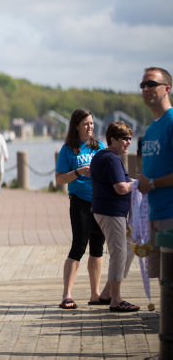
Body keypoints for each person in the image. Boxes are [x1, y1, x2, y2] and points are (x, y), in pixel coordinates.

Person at [55, 109, 106, 309]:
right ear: (76, 126)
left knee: (98, 247)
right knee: (78, 246)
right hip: (79, 202)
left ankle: (95, 294)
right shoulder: (68, 149)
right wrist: (77, 172)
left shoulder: (99, 147)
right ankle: (66, 295)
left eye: (91, 123)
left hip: (100, 202)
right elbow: (59, 179)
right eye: (85, 123)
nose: (90, 127)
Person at [90, 121, 138, 312]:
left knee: (127, 248)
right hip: (111, 213)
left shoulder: (107, 156)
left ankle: (107, 293)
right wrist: (136, 185)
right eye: (124, 139)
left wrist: (136, 182)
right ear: (113, 139)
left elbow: (124, 181)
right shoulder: (111, 159)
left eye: (130, 139)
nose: (128, 142)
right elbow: (120, 187)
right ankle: (116, 300)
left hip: (110, 212)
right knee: (119, 254)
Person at [137, 67, 173, 282]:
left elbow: (152, 180)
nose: (146, 88)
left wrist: (151, 184)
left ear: (167, 88)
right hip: (152, 214)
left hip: (170, 214)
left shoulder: (171, 122)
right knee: (161, 278)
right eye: (143, 85)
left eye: (151, 84)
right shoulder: (150, 129)